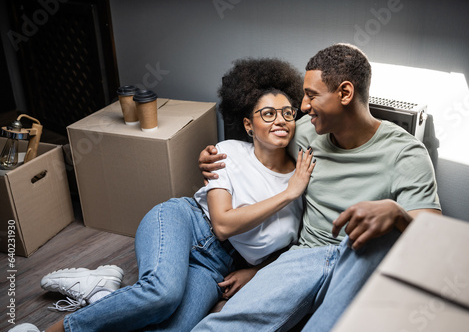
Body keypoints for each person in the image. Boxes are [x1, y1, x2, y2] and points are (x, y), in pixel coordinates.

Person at [9, 58, 315, 332]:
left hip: (217, 267)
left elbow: (292, 245)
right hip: (185, 223)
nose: (281, 120)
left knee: (173, 328)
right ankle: (60, 329)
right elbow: (222, 224)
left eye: (288, 113)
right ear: (249, 124)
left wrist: (255, 271)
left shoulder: (301, 178)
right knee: (161, 293)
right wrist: (288, 193)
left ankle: (102, 291)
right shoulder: (227, 153)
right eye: (268, 113)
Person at [193, 43, 442, 331]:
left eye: (312, 96)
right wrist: (212, 157)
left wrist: (397, 214)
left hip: (359, 257)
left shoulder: (406, 153)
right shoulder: (303, 133)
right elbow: (259, 145)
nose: (303, 106)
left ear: (345, 93)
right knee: (223, 325)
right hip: (305, 257)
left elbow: (432, 236)